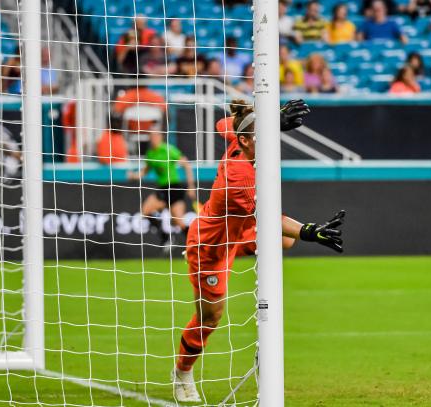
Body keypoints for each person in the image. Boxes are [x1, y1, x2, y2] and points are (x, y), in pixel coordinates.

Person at [172, 99, 344, 402]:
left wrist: (269, 119)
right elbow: (270, 216)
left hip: (241, 229)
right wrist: (310, 231)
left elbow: (223, 124)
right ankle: (182, 372)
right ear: (245, 141)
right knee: (210, 318)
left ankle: (266, 340)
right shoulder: (241, 177)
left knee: (285, 241)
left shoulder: (239, 136)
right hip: (212, 245)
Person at [127, 132, 196, 246]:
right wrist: (133, 175)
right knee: (146, 211)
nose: (153, 138)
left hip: (174, 187)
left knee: (179, 222)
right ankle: (167, 237)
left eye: (156, 136)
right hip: (163, 188)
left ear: (160, 137)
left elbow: (186, 164)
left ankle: (194, 244)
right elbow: (145, 171)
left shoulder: (168, 150)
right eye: (151, 136)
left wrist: (191, 186)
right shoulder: (150, 154)